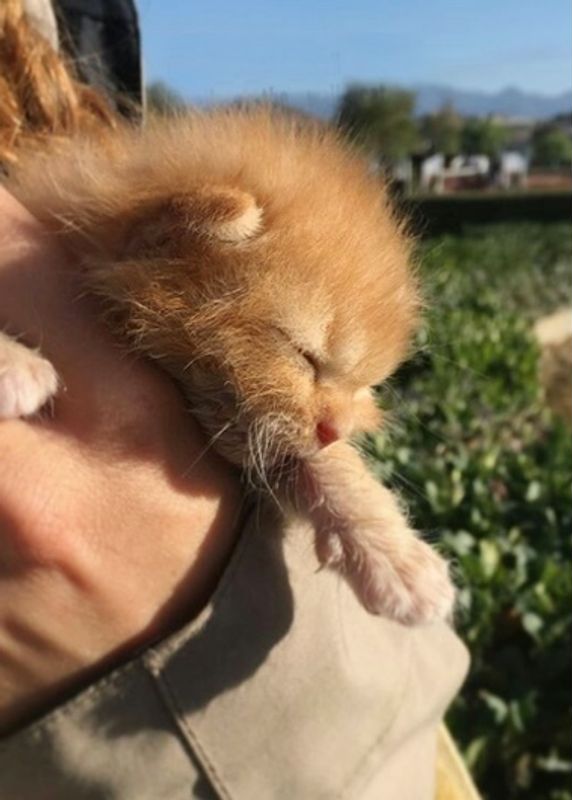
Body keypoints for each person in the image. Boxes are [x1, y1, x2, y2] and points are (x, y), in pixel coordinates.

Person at [0, 2, 467, 796]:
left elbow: (292, 442)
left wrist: (349, 505)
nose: (340, 422)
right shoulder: (85, 227)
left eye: (365, 389)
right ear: (168, 239)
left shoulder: (75, 39)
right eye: (308, 357)